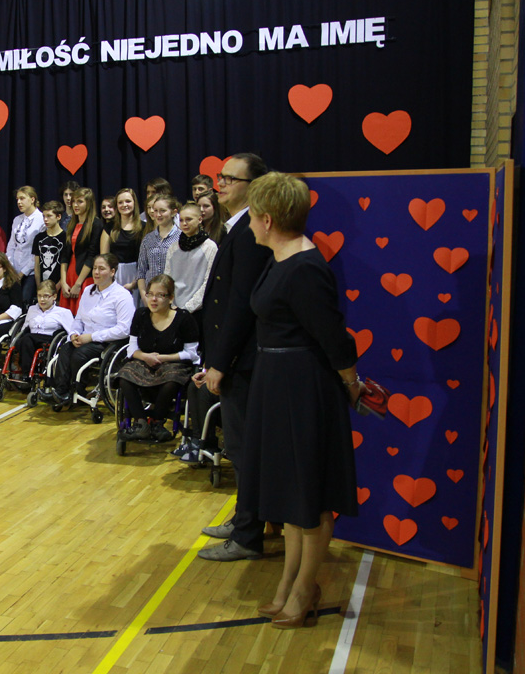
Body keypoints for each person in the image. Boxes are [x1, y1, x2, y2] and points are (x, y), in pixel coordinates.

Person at [242, 171, 362, 629]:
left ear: (268, 219)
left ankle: (305, 589)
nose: (249, 223)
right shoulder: (279, 259)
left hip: (303, 390)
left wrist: (351, 383)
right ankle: (287, 586)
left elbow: (333, 339)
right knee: (292, 497)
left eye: (253, 215)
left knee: (310, 497)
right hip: (278, 384)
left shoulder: (306, 267)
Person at [194, 152, 273, 562]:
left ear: (253, 186)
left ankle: (247, 535)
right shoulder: (236, 227)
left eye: (229, 178)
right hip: (231, 358)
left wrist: (220, 363)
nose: (219, 184)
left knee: (243, 449)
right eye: (219, 177)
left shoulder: (250, 232)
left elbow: (241, 306)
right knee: (239, 446)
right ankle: (246, 518)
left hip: (243, 361)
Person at [116, 274, 200, 441]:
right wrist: (145, 356)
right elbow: (132, 347)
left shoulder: (184, 318)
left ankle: (157, 422)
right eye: (150, 294)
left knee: (172, 380)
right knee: (124, 376)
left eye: (160, 295)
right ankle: (141, 423)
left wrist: (163, 358)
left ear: (170, 298)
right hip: (144, 361)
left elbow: (191, 353)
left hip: (174, 363)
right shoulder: (141, 315)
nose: (153, 299)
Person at [51, 253, 135, 404]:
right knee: (66, 349)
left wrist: (91, 337)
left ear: (112, 272)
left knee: (79, 354)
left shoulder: (122, 296)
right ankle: (61, 392)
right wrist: (74, 334)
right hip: (84, 338)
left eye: (101, 269)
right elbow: (78, 319)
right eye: (95, 268)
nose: (96, 272)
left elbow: (124, 329)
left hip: (107, 341)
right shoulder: (88, 290)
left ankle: (78, 392)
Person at [59, 187, 108, 314]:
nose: (75, 205)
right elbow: (65, 255)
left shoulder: (96, 224)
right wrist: (63, 282)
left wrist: (78, 284)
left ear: (89, 203)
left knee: (83, 315)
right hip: (70, 274)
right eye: (74, 201)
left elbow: (92, 256)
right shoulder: (72, 224)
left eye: (80, 202)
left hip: (84, 276)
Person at [164, 202, 218, 316]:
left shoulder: (209, 247)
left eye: (189, 219)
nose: (184, 223)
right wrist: (170, 304)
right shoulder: (173, 247)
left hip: (199, 310)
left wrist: (187, 308)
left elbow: (208, 281)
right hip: (174, 308)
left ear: (199, 219)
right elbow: (167, 278)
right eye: (181, 220)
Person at [17, 279, 74, 376]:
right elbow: (25, 328)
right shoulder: (32, 309)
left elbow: (72, 331)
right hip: (30, 340)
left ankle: (26, 374)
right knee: (24, 339)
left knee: (27, 338)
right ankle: (27, 371)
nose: (42, 299)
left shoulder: (63, 312)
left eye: (46, 296)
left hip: (50, 339)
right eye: (39, 296)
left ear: (54, 296)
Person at [136, 194, 180, 306]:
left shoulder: (181, 237)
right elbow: (141, 271)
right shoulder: (148, 239)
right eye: (156, 211)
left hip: (173, 297)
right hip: (151, 298)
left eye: (162, 211)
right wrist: (144, 295)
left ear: (173, 212)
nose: (158, 214)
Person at [6, 185, 45, 304]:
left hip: (30, 271)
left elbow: (37, 252)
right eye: (17, 199)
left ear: (32, 199)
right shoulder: (17, 219)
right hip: (14, 270)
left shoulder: (41, 219)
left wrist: (23, 273)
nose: (19, 202)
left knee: (24, 301)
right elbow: (11, 245)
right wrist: (11, 267)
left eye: (22, 198)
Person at [108, 188, 142, 291]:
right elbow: (104, 258)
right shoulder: (109, 228)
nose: (124, 205)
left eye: (128, 201)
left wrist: (135, 282)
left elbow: (146, 260)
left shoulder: (144, 227)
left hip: (137, 276)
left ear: (134, 203)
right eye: (120, 202)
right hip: (114, 275)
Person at [31, 200, 66, 290]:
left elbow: (67, 265)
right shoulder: (39, 238)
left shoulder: (65, 238)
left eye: (49, 216)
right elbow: (37, 266)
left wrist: (57, 288)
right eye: (44, 216)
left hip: (59, 286)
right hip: (43, 286)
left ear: (58, 217)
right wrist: (39, 287)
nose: (45, 219)